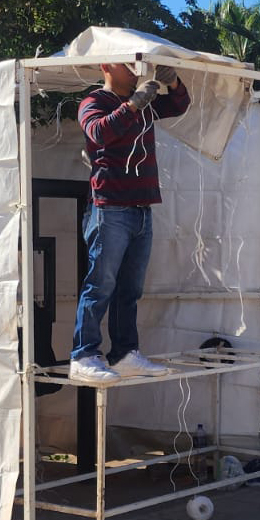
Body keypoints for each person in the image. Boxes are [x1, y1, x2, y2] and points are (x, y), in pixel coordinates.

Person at [69, 62, 191, 385]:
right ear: (106, 66)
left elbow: (180, 105)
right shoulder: (93, 102)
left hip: (140, 208)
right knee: (101, 284)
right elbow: (99, 132)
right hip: (109, 208)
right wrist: (134, 104)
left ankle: (124, 353)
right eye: (128, 63)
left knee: (129, 289)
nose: (137, 69)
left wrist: (174, 82)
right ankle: (83, 354)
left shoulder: (144, 107)